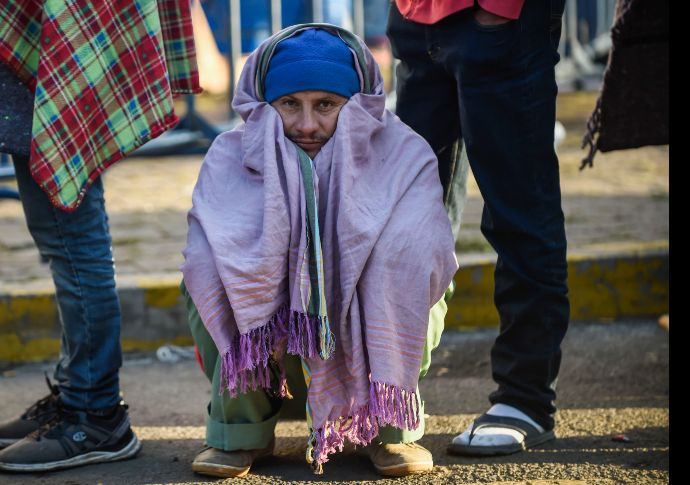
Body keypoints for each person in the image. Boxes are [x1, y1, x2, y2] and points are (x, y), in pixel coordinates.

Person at [180, 25, 458, 478]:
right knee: (212, 265)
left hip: (361, 328)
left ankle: (388, 428)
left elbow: (423, 253)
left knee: (401, 264)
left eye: (326, 105)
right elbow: (207, 253)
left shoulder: (406, 154)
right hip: (276, 348)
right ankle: (241, 430)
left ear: (360, 104)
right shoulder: (230, 154)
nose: (307, 125)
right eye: (289, 104)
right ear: (262, 105)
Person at [0, 0, 200, 472]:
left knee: (72, 237)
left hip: (60, 33)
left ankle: (95, 412)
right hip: (44, 35)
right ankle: (75, 395)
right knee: (60, 235)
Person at [385, 0, 570, 456]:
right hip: (415, 17)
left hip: (499, 17)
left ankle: (524, 400)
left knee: (517, 214)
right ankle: (389, 397)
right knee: (406, 223)